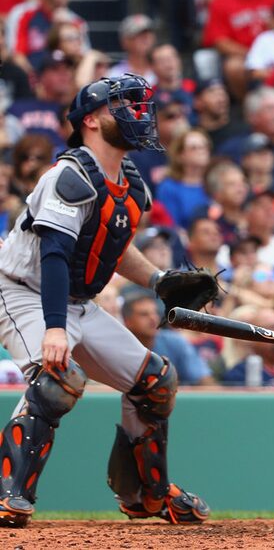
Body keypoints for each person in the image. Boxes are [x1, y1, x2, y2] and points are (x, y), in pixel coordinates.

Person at [0, 74, 209, 526]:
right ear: (91, 120)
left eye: (138, 105)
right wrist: (55, 329)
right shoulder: (69, 175)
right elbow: (55, 251)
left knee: (156, 381)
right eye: (124, 106)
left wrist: (156, 278)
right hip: (22, 290)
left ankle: (146, 495)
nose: (137, 114)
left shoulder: (128, 181)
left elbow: (110, 247)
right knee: (57, 379)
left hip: (75, 298)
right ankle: (8, 494)